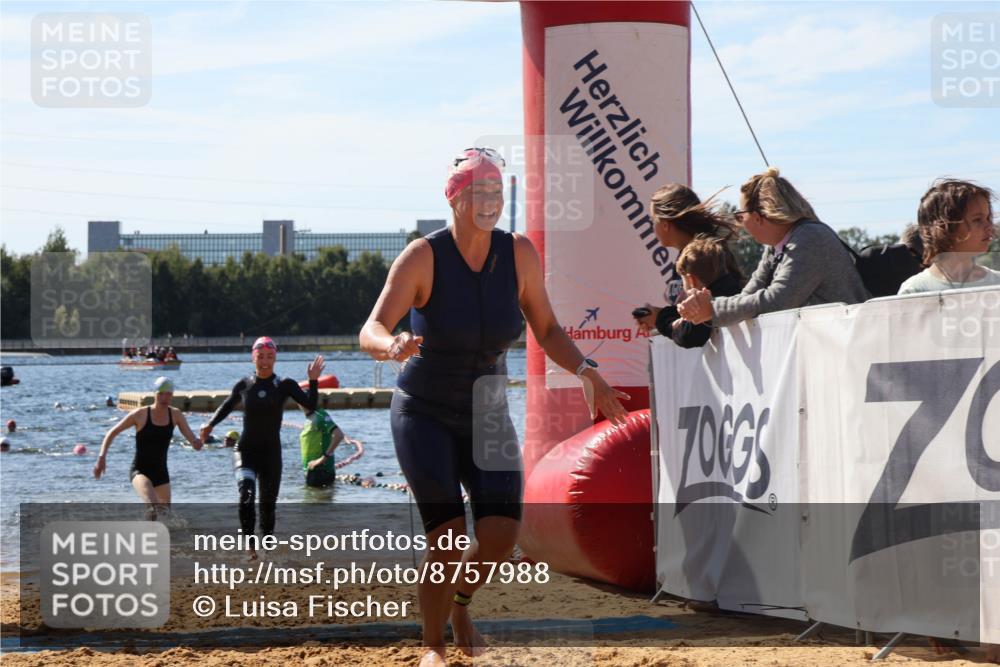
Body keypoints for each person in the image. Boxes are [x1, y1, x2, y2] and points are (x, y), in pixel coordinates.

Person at [360, 147, 629, 667]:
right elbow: (369, 327)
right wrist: (389, 344)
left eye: (495, 191)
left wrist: (586, 372)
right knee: (446, 538)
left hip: (485, 410)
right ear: (455, 197)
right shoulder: (423, 256)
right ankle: (432, 647)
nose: (489, 201)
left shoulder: (518, 253)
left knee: (501, 536)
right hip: (424, 411)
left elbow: (546, 328)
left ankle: (461, 607)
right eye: (478, 191)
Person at [678, 167, 869, 327]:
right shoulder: (778, 245)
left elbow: (778, 301)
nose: (740, 223)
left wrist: (712, 309)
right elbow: (748, 296)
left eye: (740, 216)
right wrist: (705, 307)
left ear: (758, 217)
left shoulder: (810, 238)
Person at [200, 337, 323, 550]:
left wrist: (313, 380)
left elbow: (311, 405)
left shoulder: (285, 385)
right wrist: (210, 424)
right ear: (253, 358)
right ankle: (250, 548)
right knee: (246, 495)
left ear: (275, 358)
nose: (265, 361)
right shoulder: (244, 385)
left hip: (271, 454)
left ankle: (267, 548)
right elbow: (227, 406)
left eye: (269, 357)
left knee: (268, 506)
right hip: (245, 451)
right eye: (260, 357)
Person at [632, 183, 743, 342]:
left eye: (653, 220)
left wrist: (660, 319)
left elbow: (695, 330)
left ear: (665, 224)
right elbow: (692, 314)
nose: (652, 227)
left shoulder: (701, 256)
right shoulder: (687, 256)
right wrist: (658, 316)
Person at [94, 377, 203, 513]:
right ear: (154, 394)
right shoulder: (140, 414)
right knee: (153, 506)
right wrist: (101, 457)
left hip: (161, 473)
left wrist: (198, 442)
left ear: (172, 395)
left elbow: (193, 441)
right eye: (160, 394)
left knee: (166, 515)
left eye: (168, 394)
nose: (164, 398)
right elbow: (112, 432)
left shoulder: (175, 415)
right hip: (140, 471)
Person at [898, 179, 997, 294]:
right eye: (977, 219)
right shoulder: (915, 290)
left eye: (988, 218)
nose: (989, 226)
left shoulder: (997, 283)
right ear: (945, 228)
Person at [656, 236, 743, 348]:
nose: (683, 289)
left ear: (691, 280)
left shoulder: (710, 300)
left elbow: (687, 337)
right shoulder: (735, 289)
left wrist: (671, 324)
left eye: (683, 284)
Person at [299, 406, 345, 487]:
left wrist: (323, 458)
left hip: (322, 471)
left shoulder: (320, 415)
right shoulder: (310, 417)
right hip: (312, 471)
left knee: (320, 498)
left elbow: (339, 435)